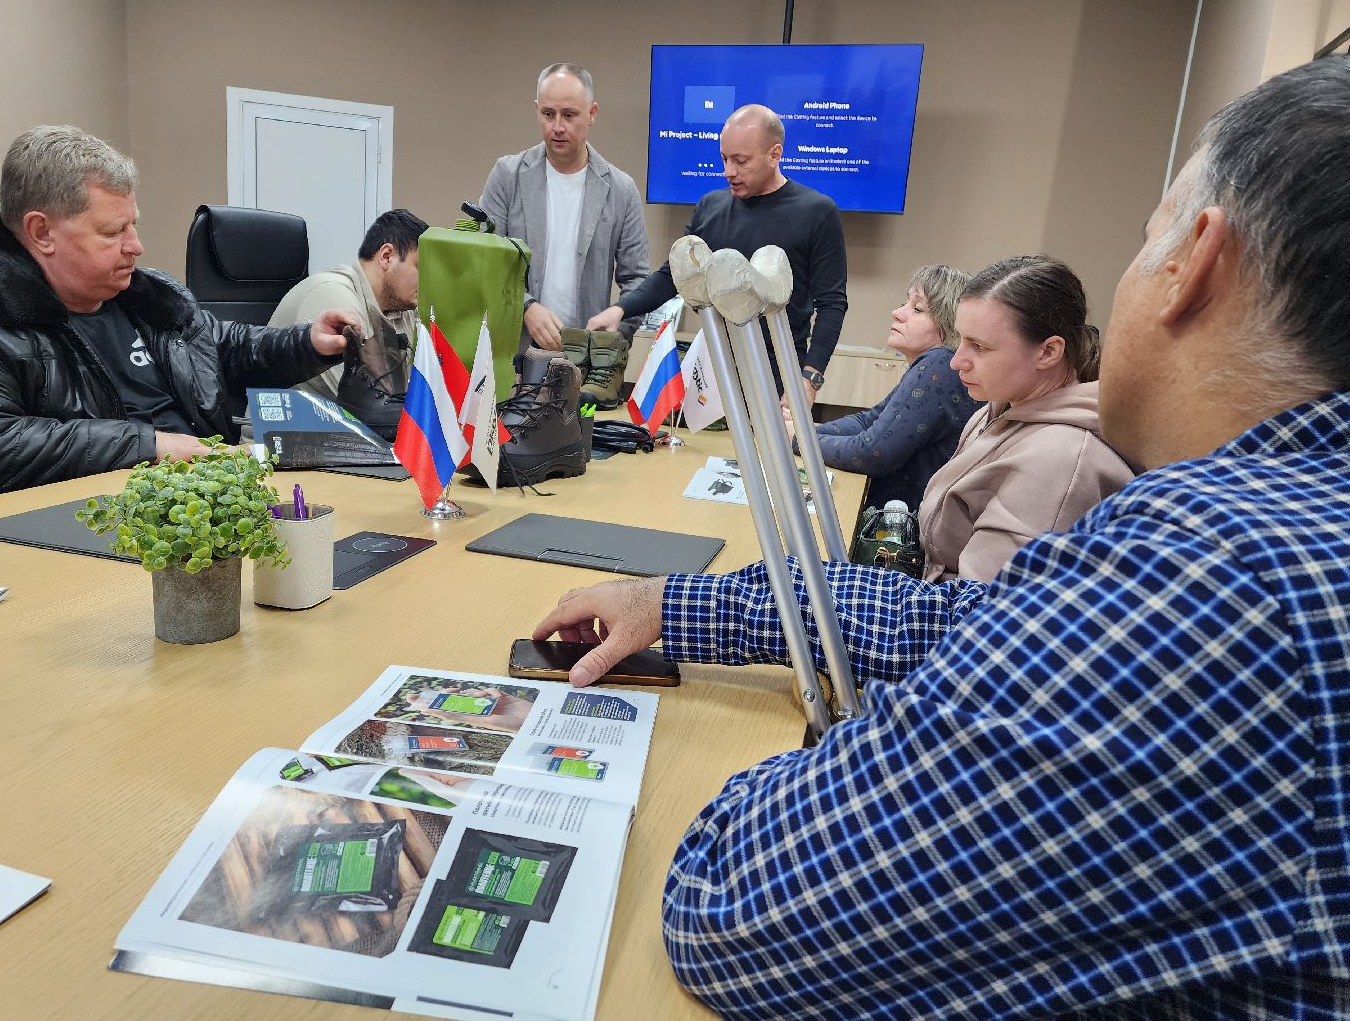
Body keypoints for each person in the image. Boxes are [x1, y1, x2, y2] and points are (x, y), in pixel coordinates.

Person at [534, 56, 1350, 1016]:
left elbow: (739, 910)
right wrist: (682, 603)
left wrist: (853, 750)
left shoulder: (1227, 569)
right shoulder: (1292, 523)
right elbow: (976, 621)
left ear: (1194, 260)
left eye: (1142, 239)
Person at [0, 125, 359, 512]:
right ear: (41, 232)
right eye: (112, 232)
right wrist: (149, 446)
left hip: (206, 500)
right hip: (93, 526)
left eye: (133, 225)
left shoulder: (149, 297)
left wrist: (308, 343)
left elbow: (227, 348)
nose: (136, 246)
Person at [589, 104, 848, 403]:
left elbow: (832, 303)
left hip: (780, 378)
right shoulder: (710, 207)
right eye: (724, 158)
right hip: (713, 371)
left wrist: (808, 379)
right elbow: (672, 276)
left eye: (741, 161)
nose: (729, 172)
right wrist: (620, 310)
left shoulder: (817, 212)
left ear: (775, 154)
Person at [914, 254, 1133, 580]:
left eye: (979, 346)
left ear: (1048, 352)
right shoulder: (996, 411)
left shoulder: (1060, 461)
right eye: (960, 340)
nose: (956, 361)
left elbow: (982, 610)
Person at [479, 63, 650, 361]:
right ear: (537, 110)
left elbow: (636, 279)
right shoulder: (507, 176)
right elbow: (485, 261)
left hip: (583, 360)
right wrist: (526, 306)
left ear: (592, 113)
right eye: (548, 114)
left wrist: (614, 333)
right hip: (511, 355)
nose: (557, 126)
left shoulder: (621, 190)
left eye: (569, 115)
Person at [785, 263, 976, 513]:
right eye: (905, 303)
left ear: (949, 324)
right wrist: (807, 430)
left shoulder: (939, 364)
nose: (897, 313)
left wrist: (799, 439)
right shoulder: (934, 365)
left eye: (917, 309)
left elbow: (873, 452)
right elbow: (870, 420)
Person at [267, 208, 428, 400]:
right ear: (387, 257)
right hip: (283, 427)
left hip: (345, 427)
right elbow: (363, 404)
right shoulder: (331, 294)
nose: (428, 280)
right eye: (421, 267)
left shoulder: (402, 309)